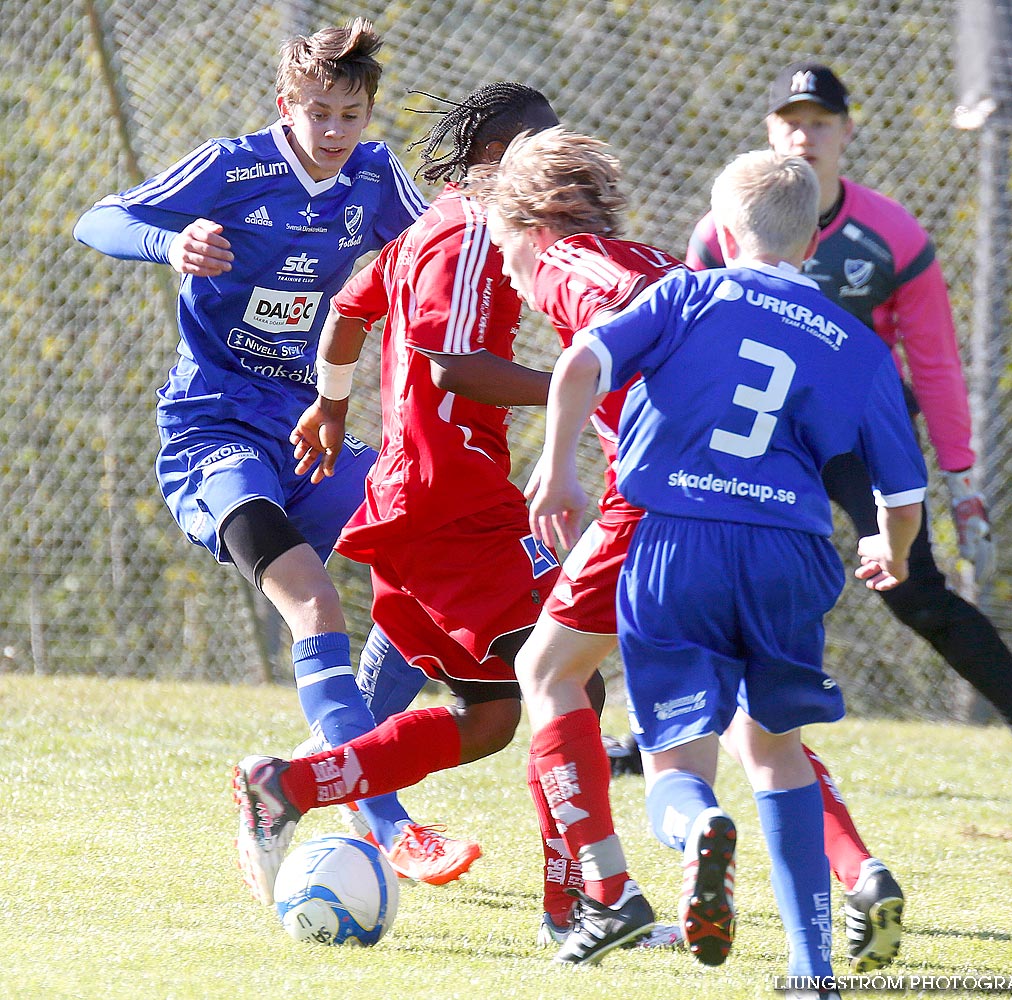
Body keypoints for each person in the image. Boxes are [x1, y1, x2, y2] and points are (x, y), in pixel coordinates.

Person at [468, 126, 903, 972]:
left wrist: (564, 466)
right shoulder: (671, 267)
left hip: (662, 511)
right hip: (762, 523)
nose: (511, 281)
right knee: (758, 725)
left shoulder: (572, 268)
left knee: (547, 673)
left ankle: (611, 891)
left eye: (502, 253)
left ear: (534, 229)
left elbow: (602, 353)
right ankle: (854, 875)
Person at [229, 85, 656, 935]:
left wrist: (336, 401)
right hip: (448, 502)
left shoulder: (431, 225)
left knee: (492, 717)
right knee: (570, 677)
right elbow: (450, 361)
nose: (550, 164)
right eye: (538, 147)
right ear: (497, 159)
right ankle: (573, 908)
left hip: (426, 500)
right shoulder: (467, 235)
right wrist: (588, 385)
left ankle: (288, 786)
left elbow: (350, 312)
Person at [72, 19, 482, 890]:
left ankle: (298, 777)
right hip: (215, 432)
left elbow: (441, 246)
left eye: (352, 114)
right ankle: (392, 826)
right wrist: (168, 242)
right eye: (320, 112)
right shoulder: (232, 167)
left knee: (433, 540)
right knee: (316, 606)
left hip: (311, 431)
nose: (335, 132)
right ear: (286, 105)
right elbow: (97, 219)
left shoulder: (374, 178)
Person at [687, 62, 1012, 804]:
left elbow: (934, 362)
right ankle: (659, 733)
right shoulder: (723, 226)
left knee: (915, 591)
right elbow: (692, 337)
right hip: (756, 431)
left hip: (851, 436)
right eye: (791, 120)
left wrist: (960, 479)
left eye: (821, 120)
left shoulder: (889, 233)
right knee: (708, 570)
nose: (805, 133)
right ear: (769, 132)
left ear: (847, 132)